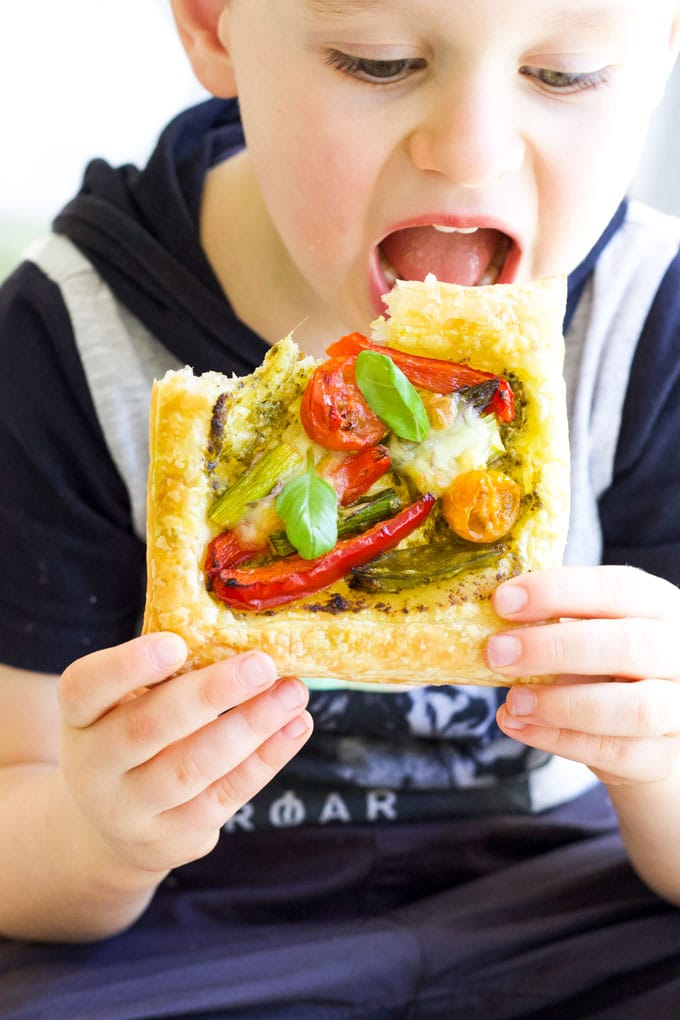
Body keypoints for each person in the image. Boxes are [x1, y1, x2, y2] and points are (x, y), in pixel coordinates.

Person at [1, 0, 680, 1016]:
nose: (468, 151)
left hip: (563, 889)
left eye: (565, 74)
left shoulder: (646, 317)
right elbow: (18, 814)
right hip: (204, 927)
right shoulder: (65, 333)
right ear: (214, 23)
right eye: (379, 61)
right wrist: (97, 838)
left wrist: (660, 763)